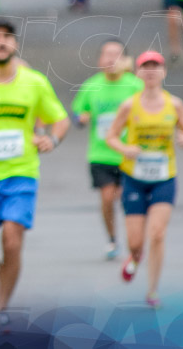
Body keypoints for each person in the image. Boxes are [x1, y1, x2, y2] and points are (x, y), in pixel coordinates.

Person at [0, 18, 70, 327]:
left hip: (21, 174)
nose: (1, 42)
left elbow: (59, 119)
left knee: (12, 242)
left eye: (7, 37)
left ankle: (1, 306)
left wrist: (52, 138)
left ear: (15, 44)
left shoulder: (34, 82)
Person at [105, 50, 183, 309]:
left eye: (155, 67)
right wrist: (125, 149)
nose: (150, 71)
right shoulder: (129, 105)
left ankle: (152, 289)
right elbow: (111, 136)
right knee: (136, 242)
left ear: (163, 72)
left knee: (157, 233)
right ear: (138, 73)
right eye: (145, 67)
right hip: (134, 177)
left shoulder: (175, 104)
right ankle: (135, 258)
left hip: (163, 177)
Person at [71, 39, 143, 260]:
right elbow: (76, 113)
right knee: (107, 197)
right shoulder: (91, 86)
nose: (111, 59)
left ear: (126, 60)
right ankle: (112, 238)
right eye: (106, 54)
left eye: (116, 55)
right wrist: (81, 119)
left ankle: (135, 240)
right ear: (99, 60)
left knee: (129, 198)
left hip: (129, 153)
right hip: (101, 154)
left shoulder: (135, 85)